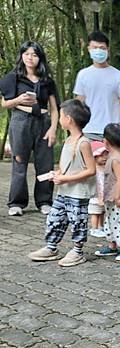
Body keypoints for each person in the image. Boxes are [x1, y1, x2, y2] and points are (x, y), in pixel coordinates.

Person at [28, 99, 95, 266]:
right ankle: (51, 247)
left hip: (77, 193)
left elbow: (91, 170)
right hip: (63, 191)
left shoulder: (83, 143)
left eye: (61, 116)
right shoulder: (68, 140)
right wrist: (57, 173)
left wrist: (65, 178)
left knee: (77, 221)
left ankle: (78, 251)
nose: (58, 119)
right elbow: (67, 166)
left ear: (69, 119)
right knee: (55, 219)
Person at [0, 41, 59, 216]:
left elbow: (55, 108)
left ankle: (44, 201)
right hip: (20, 121)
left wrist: (53, 129)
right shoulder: (13, 77)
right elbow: (5, 103)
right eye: (27, 54)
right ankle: (16, 203)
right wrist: (18, 100)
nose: (30, 58)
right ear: (21, 56)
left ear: (39, 57)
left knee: (45, 164)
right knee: (19, 162)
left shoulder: (47, 80)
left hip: (43, 121)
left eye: (34, 54)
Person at [73, 30, 120, 142]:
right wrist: (76, 130)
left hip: (114, 132)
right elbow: (78, 103)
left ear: (108, 50)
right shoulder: (83, 75)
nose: (98, 51)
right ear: (88, 49)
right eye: (94, 47)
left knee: (116, 160)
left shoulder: (119, 76)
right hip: (88, 131)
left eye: (102, 48)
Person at [94, 124, 120, 261]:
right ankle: (112, 246)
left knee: (119, 223)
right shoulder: (115, 156)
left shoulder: (116, 159)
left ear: (105, 141)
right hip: (110, 198)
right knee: (110, 221)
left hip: (118, 199)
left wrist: (117, 197)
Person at [89, 142, 108, 237]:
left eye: (106, 156)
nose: (104, 158)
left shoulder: (105, 168)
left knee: (102, 212)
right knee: (95, 213)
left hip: (104, 194)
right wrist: (99, 196)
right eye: (102, 156)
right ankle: (94, 228)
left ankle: (101, 226)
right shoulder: (94, 170)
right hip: (96, 196)